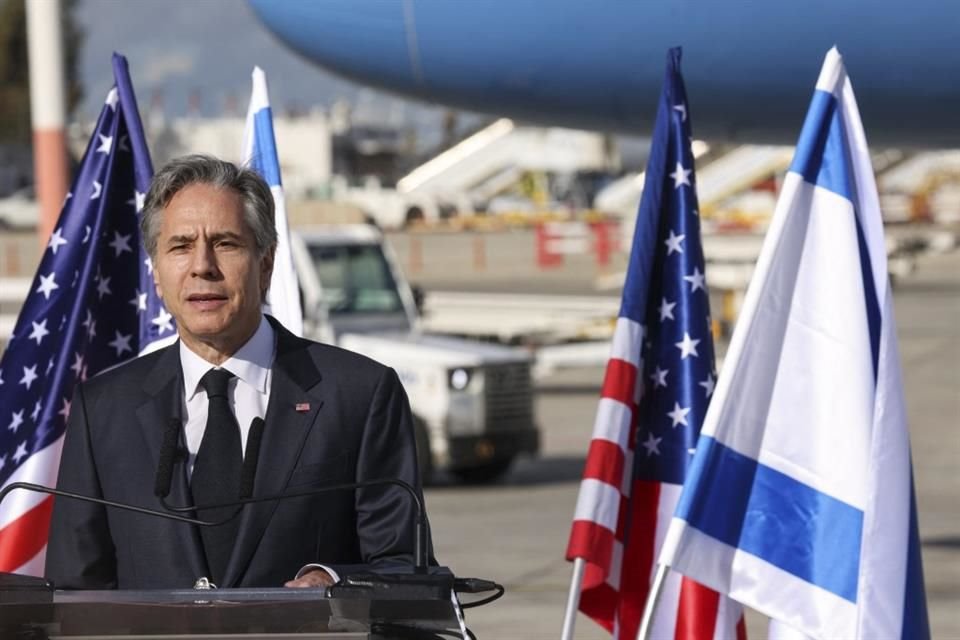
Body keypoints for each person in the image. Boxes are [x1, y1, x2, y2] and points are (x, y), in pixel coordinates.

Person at [46, 155, 429, 590]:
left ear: (265, 264)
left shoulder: (360, 395)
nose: (202, 265)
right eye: (180, 246)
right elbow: (74, 592)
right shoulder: (103, 410)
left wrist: (336, 581)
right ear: (156, 274)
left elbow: (407, 569)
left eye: (225, 243)